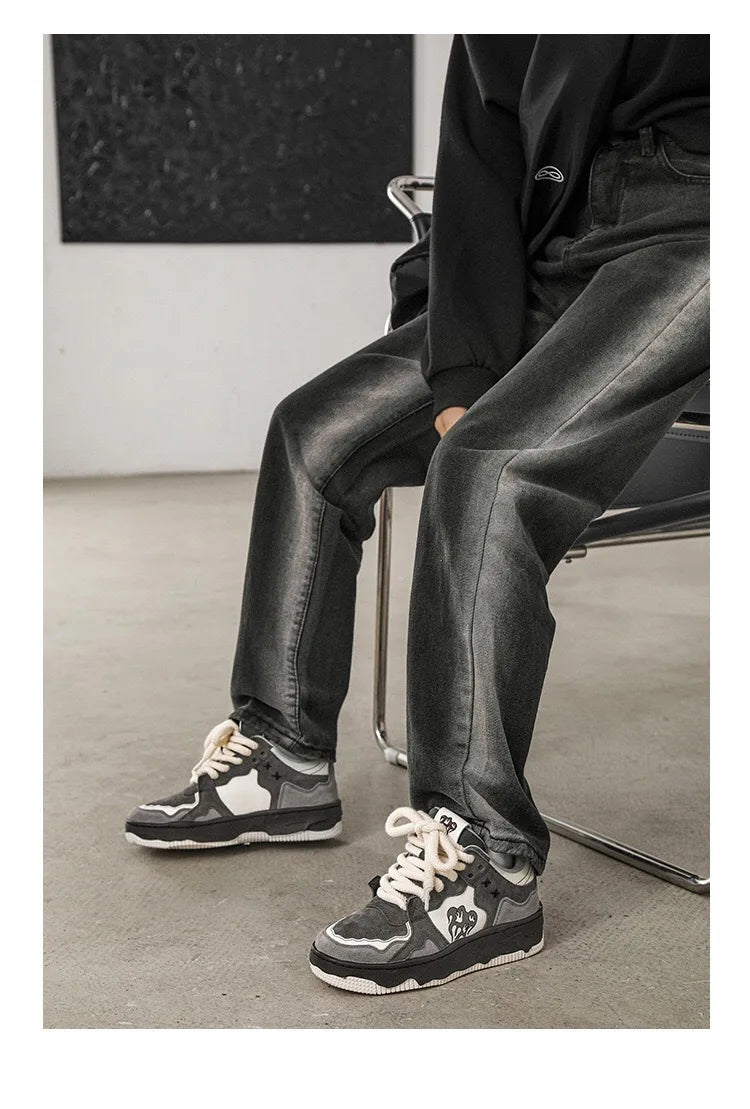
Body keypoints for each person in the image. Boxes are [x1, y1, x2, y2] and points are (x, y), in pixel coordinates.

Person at [125, 34, 709, 995]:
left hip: (706, 231)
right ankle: (283, 757)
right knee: (315, 433)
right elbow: (482, 154)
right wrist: (461, 365)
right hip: (559, 236)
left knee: (487, 471)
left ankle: (487, 860)